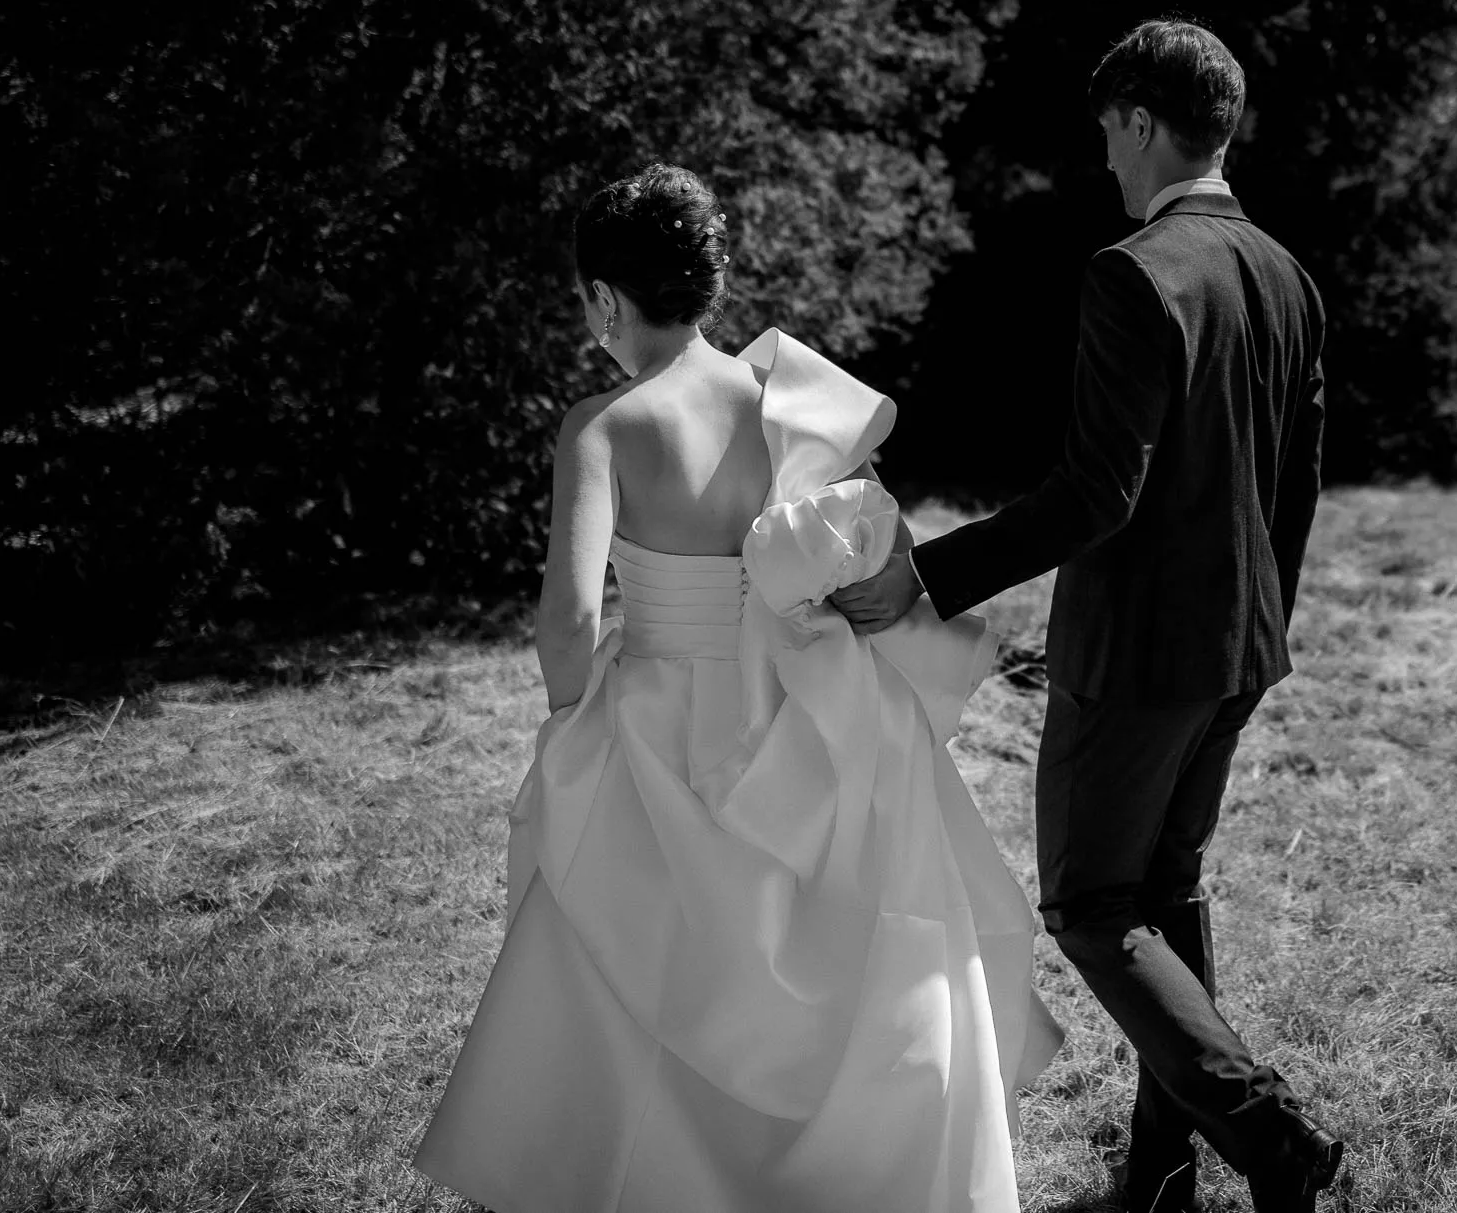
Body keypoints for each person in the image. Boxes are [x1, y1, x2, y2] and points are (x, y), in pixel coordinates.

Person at [412, 163, 1060, 1213]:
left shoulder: (605, 425)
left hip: (656, 720)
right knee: (849, 952)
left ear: (606, 299)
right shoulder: (790, 407)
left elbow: (570, 617)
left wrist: (574, 721)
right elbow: (872, 563)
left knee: (638, 959)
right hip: (804, 713)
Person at [831, 20, 1340, 1213]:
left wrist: (928, 575)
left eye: (1110, 131)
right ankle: (1160, 1174)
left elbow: (1096, 495)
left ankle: (1270, 1136)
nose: (1106, 158)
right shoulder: (1288, 275)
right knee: (1164, 895)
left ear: (1144, 123)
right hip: (1241, 645)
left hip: (1138, 655)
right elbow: (1300, 485)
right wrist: (1263, 622)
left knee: (1092, 905)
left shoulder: (1135, 271)